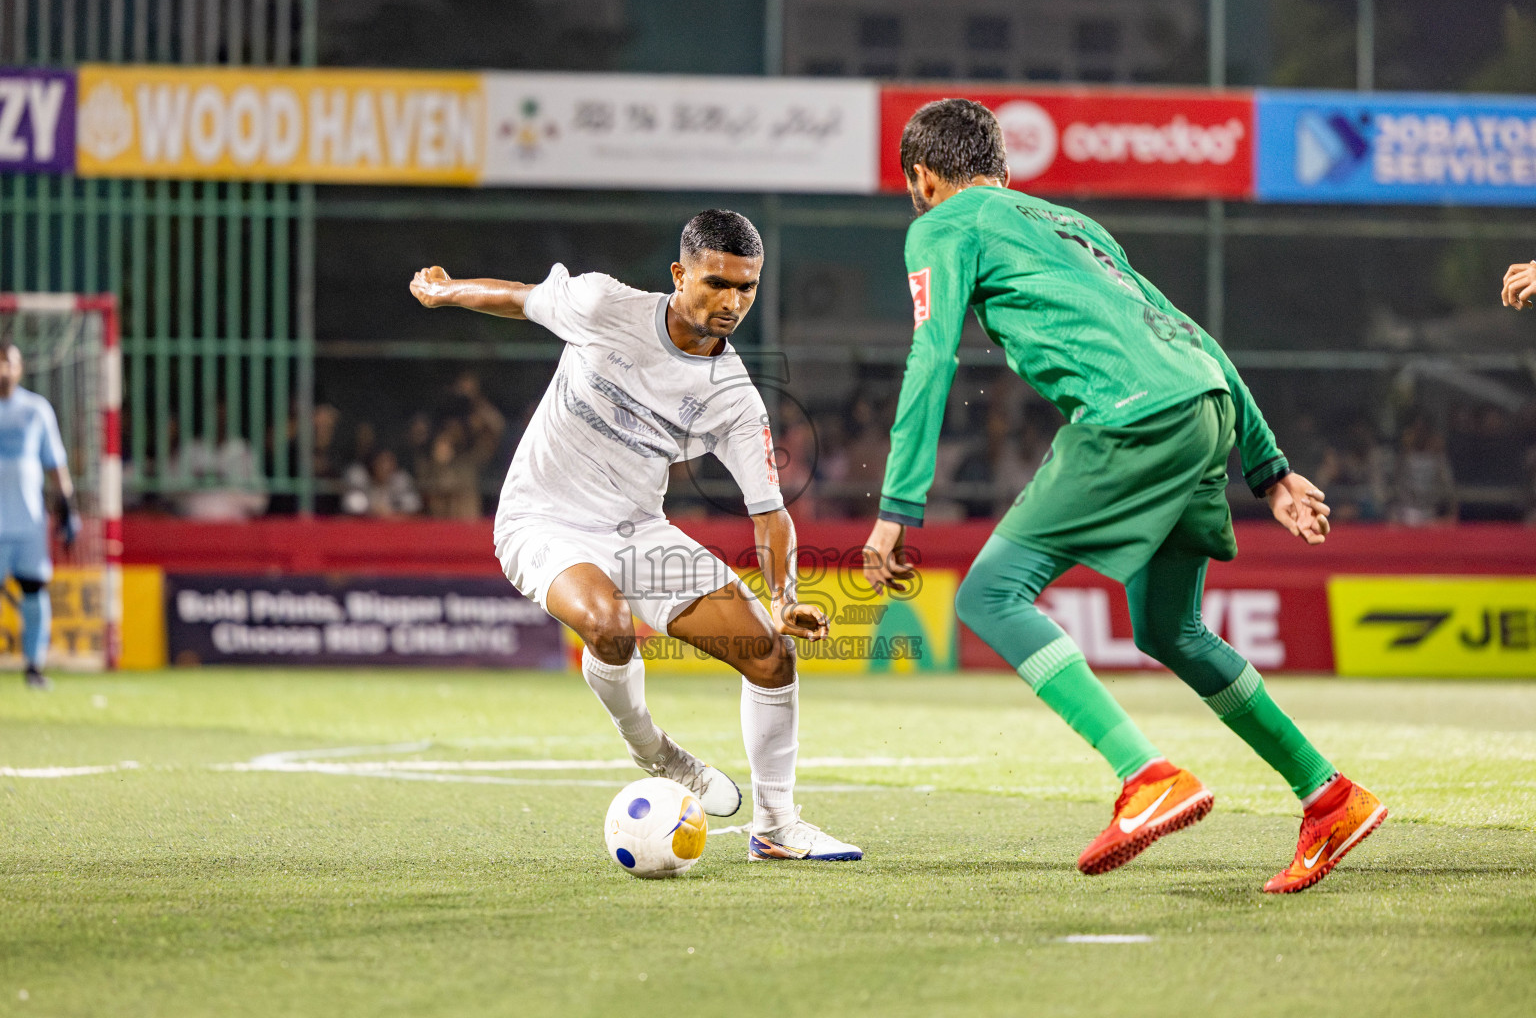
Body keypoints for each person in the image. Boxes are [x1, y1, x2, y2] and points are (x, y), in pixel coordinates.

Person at [862, 99, 1384, 893]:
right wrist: (1267, 466)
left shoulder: (941, 223)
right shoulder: (1073, 226)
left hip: (1130, 415)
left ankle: (1145, 776)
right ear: (1005, 171)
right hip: (1206, 406)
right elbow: (1192, 334)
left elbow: (931, 359)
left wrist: (898, 507)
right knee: (1169, 627)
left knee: (991, 595)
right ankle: (1329, 794)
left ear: (923, 177)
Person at [410, 209, 861, 862]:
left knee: (770, 654)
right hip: (542, 518)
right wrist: (444, 289)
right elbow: (519, 299)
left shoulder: (734, 398)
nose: (732, 301)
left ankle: (777, 828)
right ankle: (653, 748)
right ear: (680, 275)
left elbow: (769, 513)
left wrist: (785, 596)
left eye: (746, 288)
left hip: (639, 533)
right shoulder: (602, 305)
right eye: (716, 284)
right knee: (610, 625)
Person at [0, 340, 80, 690]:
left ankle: (34, 666)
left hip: (28, 523)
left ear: (20, 368)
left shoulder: (36, 410)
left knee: (34, 592)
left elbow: (56, 465)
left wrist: (67, 510)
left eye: (9, 362)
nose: (4, 369)